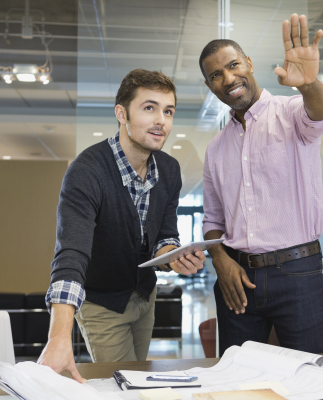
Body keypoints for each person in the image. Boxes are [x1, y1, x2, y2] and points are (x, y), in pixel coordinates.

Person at [38, 69, 205, 382]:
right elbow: (70, 254)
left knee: (136, 378)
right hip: (101, 302)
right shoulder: (86, 171)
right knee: (125, 384)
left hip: (145, 295)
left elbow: (165, 236)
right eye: (149, 108)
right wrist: (59, 336)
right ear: (121, 114)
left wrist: (175, 255)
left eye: (168, 111)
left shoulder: (169, 170)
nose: (161, 121)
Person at [200, 14, 323, 355]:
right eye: (216, 75)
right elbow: (212, 222)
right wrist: (220, 260)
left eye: (234, 65)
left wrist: (309, 84)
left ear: (249, 63)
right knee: (239, 383)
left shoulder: (292, 112)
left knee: (312, 378)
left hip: (298, 274)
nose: (229, 78)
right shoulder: (215, 148)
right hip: (237, 280)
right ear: (210, 87)